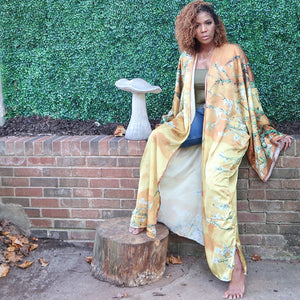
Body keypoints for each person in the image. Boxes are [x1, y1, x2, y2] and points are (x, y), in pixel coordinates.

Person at [129, 1, 293, 299]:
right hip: (194, 122)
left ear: (216, 24)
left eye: (208, 23)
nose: (203, 30)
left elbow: (249, 97)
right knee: (157, 140)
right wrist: (170, 125)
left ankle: (235, 270)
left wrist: (267, 132)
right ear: (188, 29)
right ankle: (144, 214)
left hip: (228, 129)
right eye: (197, 25)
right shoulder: (186, 58)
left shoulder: (233, 53)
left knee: (215, 183)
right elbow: (180, 102)